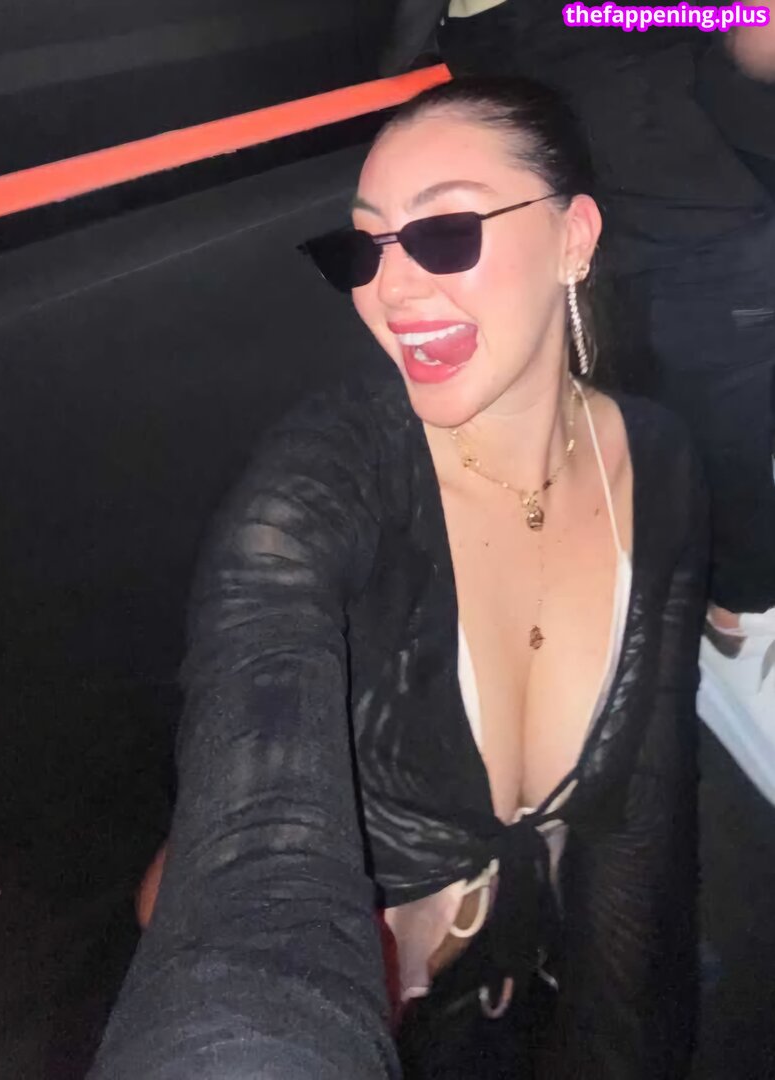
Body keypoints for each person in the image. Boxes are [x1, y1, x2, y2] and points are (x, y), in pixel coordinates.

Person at [89, 78, 708, 1079]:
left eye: (444, 233)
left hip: (509, 972)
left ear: (573, 239)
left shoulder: (659, 462)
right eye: (362, 249)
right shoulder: (318, 485)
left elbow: (643, 819)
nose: (390, 288)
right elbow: (254, 854)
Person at [382, 0, 775, 800]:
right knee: (718, 305)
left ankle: (692, 587)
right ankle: (733, 611)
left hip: (591, 60)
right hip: (583, 55)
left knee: (658, 330)